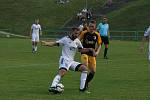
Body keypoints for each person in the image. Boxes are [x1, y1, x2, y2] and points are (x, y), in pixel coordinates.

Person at [41, 28, 96, 93]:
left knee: (85, 69)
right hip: (64, 59)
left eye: (77, 34)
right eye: (75, 33)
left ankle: (82, 89)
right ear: (72, 32)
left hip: (71, 61)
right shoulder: (65, 39)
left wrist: (90, 49)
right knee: (62, 72)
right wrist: (46, 43)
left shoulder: (77, 41)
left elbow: (80, 50)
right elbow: (55, 43)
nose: (76, 35)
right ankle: (53, 86)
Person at [79, 22, 102, 90]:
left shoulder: (97, 34)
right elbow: (78, 40)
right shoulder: (84, 33)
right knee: (85, 66)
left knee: (93, 71)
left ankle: (86, 83)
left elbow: (99, 44)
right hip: (84, 53)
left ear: (95, 27)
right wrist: (80, 48)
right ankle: (83, 86)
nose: (91, 28)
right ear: (88, 27)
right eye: (90, 26)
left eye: (93, 26)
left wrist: (97, 52)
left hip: (92, 55)